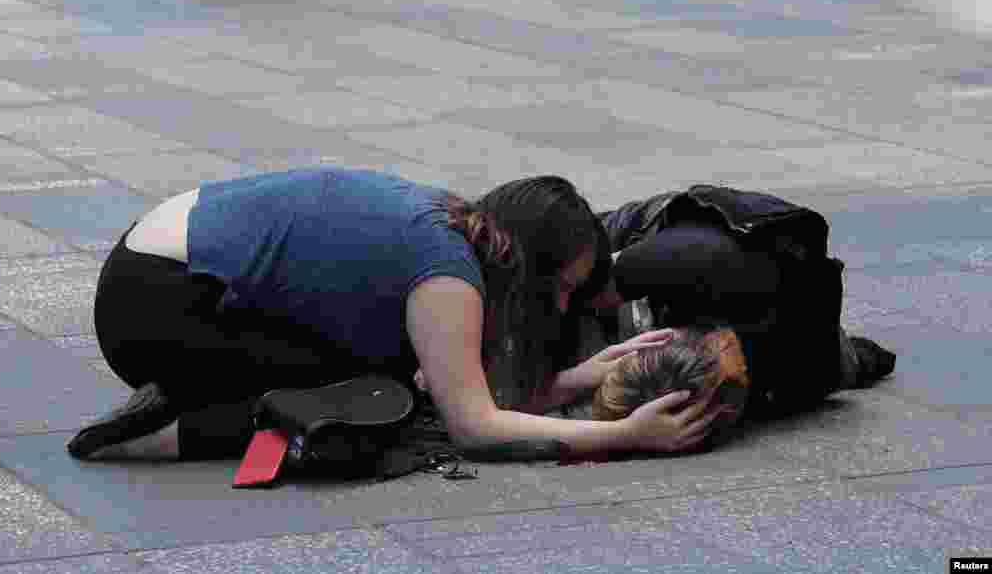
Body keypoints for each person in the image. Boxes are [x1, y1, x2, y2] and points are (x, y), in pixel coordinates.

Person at [67, 167, 726, 463]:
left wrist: (571, 381)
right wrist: (626, 435)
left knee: (402, 375)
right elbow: (474, 425)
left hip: (154, 268)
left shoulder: (453, 225)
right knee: (384, 401)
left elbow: (460, 381)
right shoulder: (449, 279)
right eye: (560, 289)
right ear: (528, 266)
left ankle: (185, 394)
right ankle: (160, 435)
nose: (562, 307)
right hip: (156, 305)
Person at [571, 183, 896, 426]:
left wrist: (620, 431)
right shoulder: (668, 260)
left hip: (773, 314)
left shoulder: (803, 374)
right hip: (724, 263)